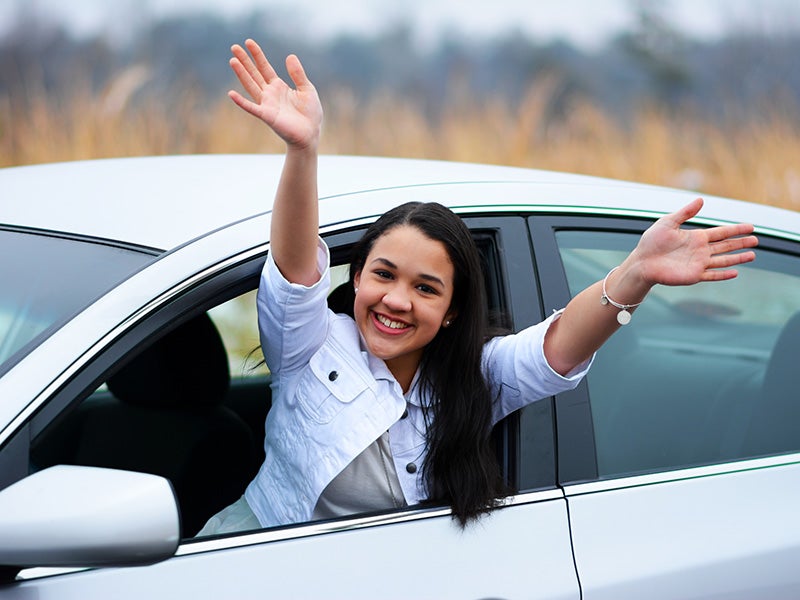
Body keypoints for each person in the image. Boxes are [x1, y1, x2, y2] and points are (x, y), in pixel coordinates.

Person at [197, 39, 758, 536]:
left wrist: (636, 272)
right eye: (384, 274)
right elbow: (296, 271)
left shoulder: (475, 375)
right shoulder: (310, 346)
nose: (396, 300)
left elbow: (555, 349)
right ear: (358, 276)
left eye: (426, 288)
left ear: (450, 311)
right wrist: (302, 151)